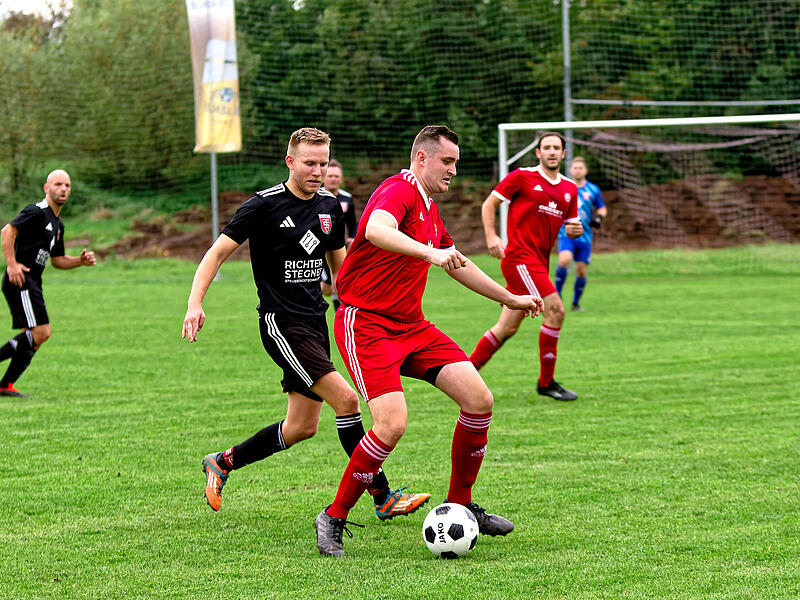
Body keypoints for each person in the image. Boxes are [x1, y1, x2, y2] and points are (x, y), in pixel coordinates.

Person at [314, 125, 544, 557]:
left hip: (411, 326)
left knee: (479, 399)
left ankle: (461, 504)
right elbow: (378, 230)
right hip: (366, 325)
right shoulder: (398, 190)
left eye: (456, 162)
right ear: (422, 159)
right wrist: (429, 253)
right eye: (448, 161)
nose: (454, 170)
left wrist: (510, 297)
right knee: (392, 423)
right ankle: (334, 516)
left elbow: (457, 264)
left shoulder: (429, 209)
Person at [182, 127, 430, 521]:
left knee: (301, 427)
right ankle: (382, 496)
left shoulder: (330, 208)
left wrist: (365, 304)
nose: (317, 170)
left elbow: (341, 266)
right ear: (290, 162)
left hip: (315, 322)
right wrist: (195, 304)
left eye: (323, 163)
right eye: (309, 163)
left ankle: (222, 462)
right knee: (347, 401)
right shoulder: (262, 206)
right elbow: (215, 255)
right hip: (281, 324)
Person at [468, 133, 583, 401]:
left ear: (563, 154)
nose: (552, 152)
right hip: (520, 258)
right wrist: (491, 236)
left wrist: (576, 230)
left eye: (557, 148)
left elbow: (572, 227)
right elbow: (490, 204)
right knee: (555, 311)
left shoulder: (569, 189)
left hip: (539, 262)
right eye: (547, 148)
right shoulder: (522, 176)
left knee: (506, 327)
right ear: (539, 153)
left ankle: (466, 372)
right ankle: (546, 383)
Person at [0, 169, 96, 397]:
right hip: (20, 279)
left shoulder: (58, 224)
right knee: (41, 332)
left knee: (31, 338)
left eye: (67, 185)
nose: (63, 189)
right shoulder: (37, 212)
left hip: (34, 282)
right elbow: (7, 232)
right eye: (58, 184)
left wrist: (80, 262)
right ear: (47, 188)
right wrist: (11, 264)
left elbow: (58, 260)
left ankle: (5, 385)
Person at [554, 157, 607, 311]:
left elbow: (602, 208)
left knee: (581, 271)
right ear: (571, 170)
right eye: (575, 167)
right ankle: (556, 296)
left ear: (585, 170)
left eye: (580, 168)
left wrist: (598, 217)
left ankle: (575, 303)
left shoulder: (593, 189)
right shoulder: (563, 187)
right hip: (566, 233)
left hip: (585, 236)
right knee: (564, 260)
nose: (577, 170)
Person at [319, 159, 358, 309]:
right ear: (324, 177)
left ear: (341, 179)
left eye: (336, 176)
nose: (333, 179)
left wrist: (352, 238)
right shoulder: (316, 196)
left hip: (339, 248)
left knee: (338, 283)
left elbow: (352, 224)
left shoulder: (346, 198)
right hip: (319, 248)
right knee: (328, 288)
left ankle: (340, 315)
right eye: (330, 176)